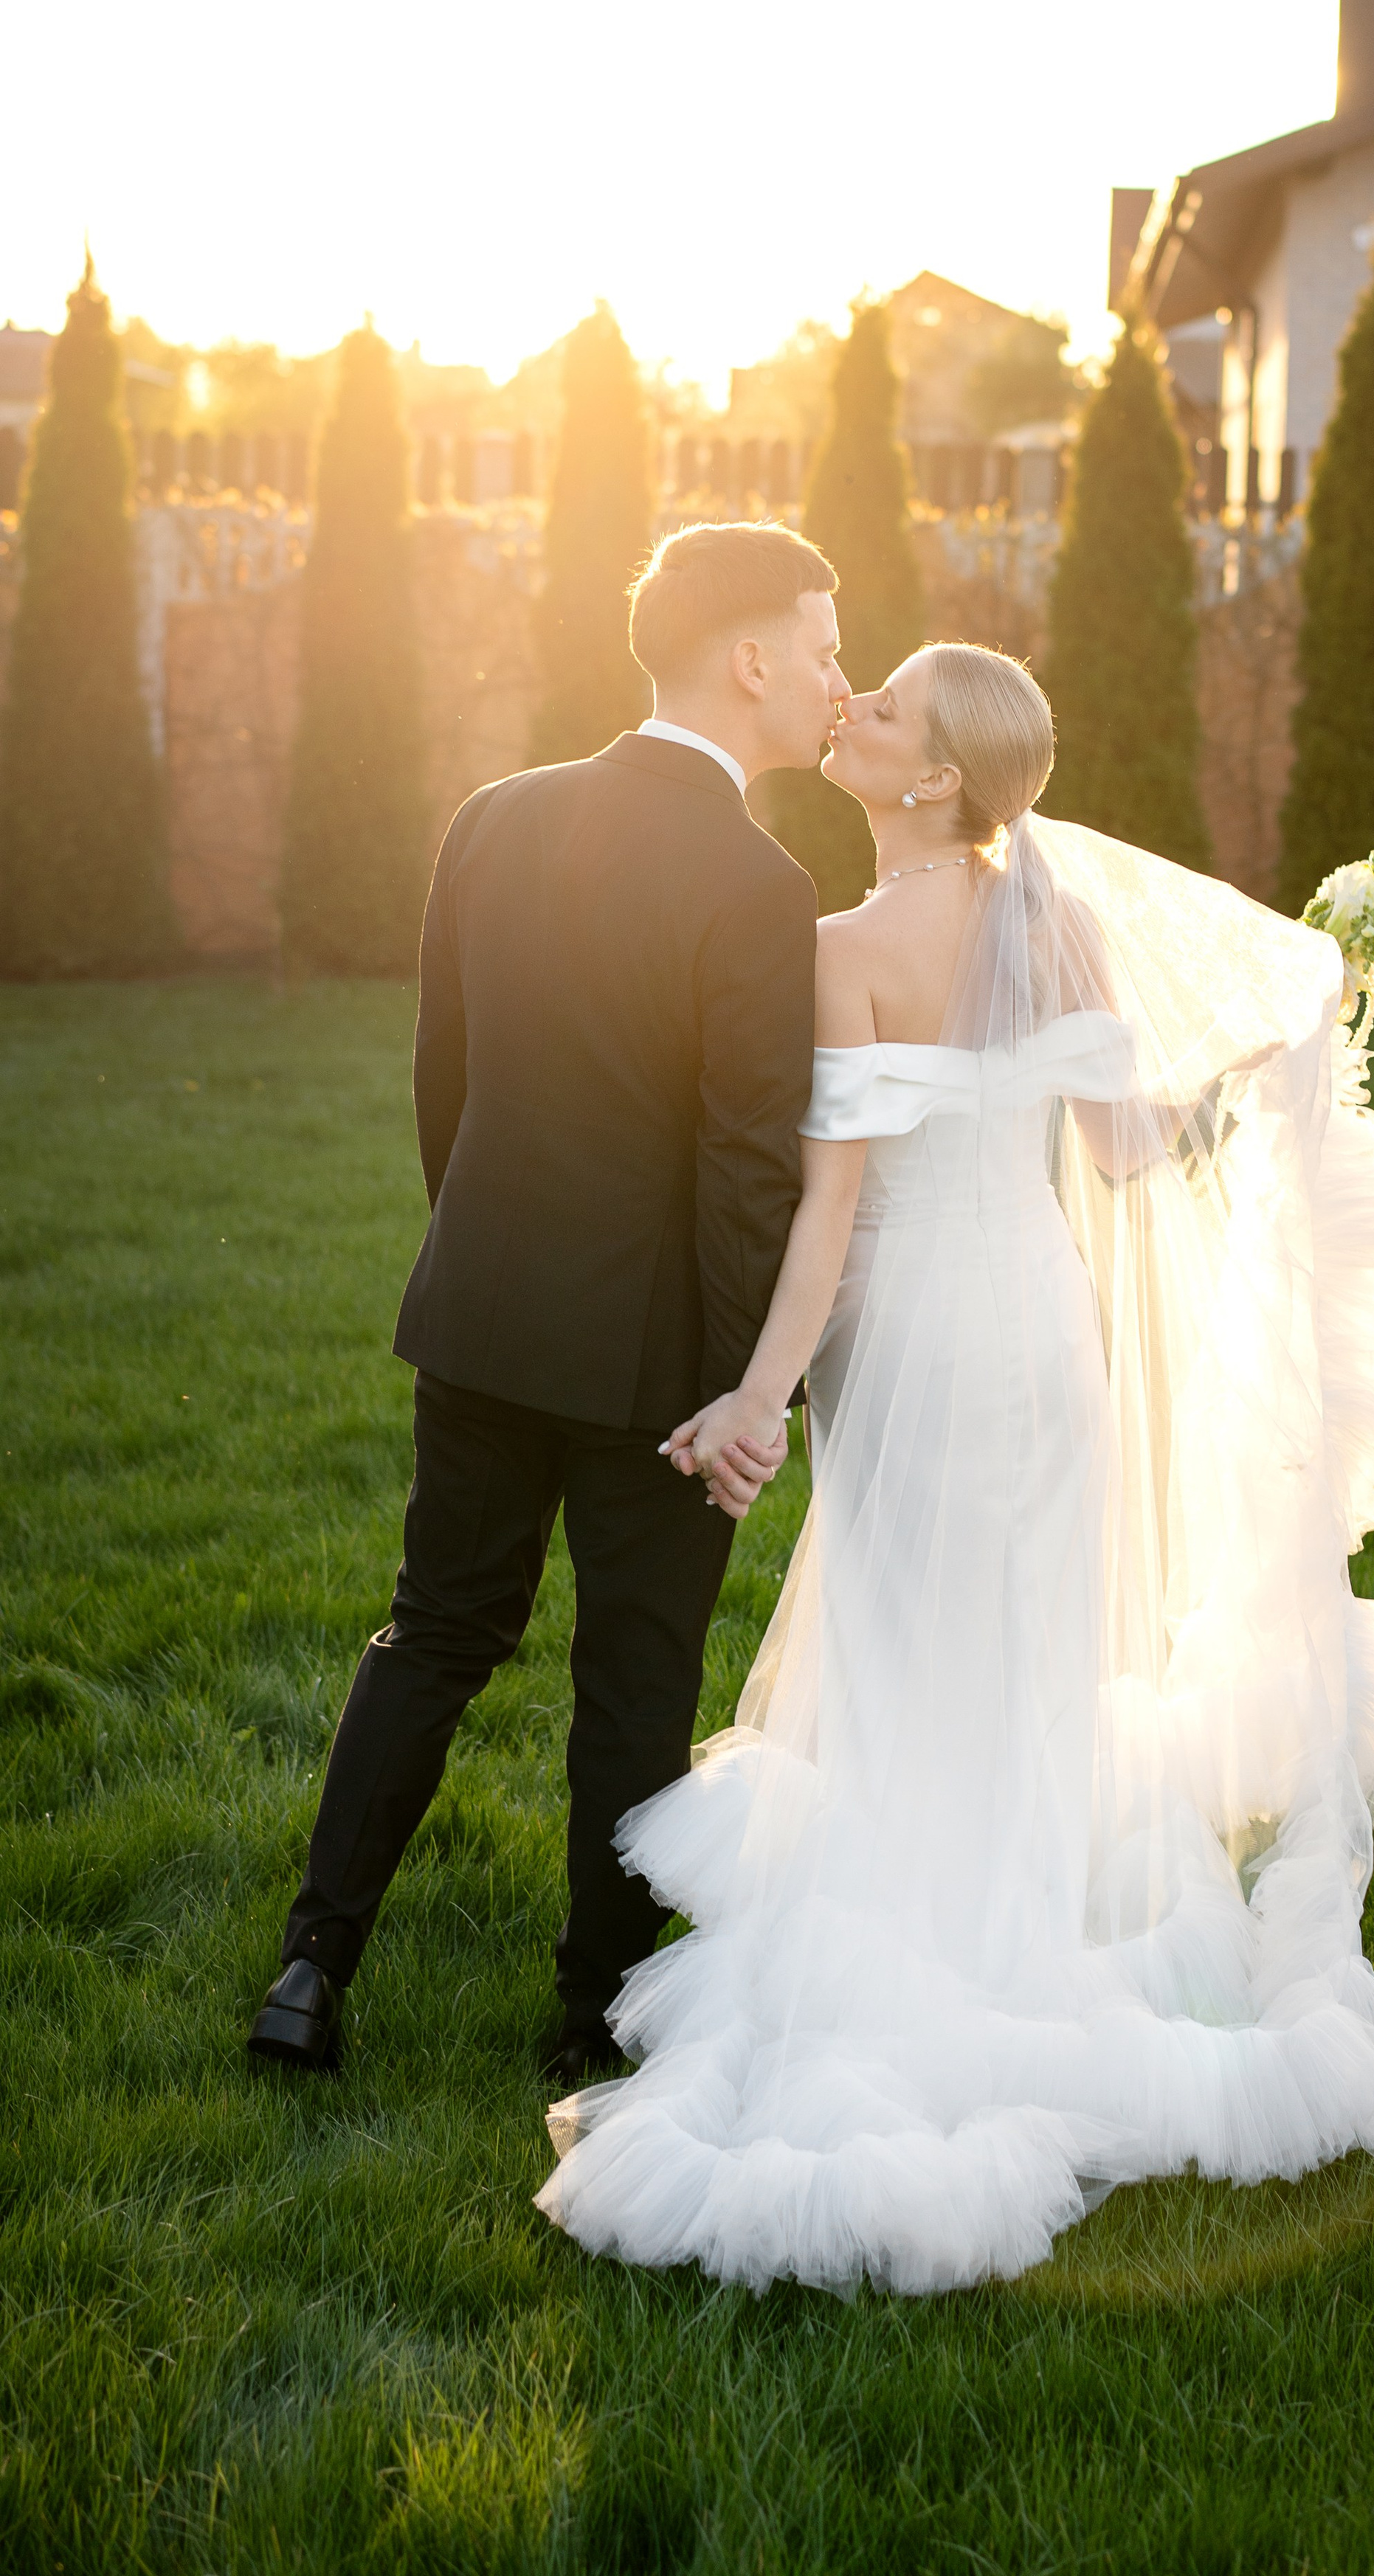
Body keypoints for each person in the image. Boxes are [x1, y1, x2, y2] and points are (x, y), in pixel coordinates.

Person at [536, 642, 1374, 2293]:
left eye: (883, 708)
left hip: (915, 1343)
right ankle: (1033, 1931)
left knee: (903, 1657)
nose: (855, 712)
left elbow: (828, 1214)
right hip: (1043, 1334)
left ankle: (924, 1958)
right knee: (1030, 1652)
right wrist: (1254, 1074)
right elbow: (1126, 1149)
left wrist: (756, 1396)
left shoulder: (843, 950)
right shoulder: (1062, 929)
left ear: (936, 777)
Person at [247, 522, 846, 2089]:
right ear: (751, 660)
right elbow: (748, 1169)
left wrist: (488, 1264)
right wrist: (748, 1392)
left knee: (432, 1633)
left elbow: (442, 1085)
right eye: (825, 646)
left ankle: (311, 1967)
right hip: (659, 1369)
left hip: (483, 1313)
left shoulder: (493, 817)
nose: (838, 678)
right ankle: (596, 2020)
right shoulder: (758, 882)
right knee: (633, 1684)